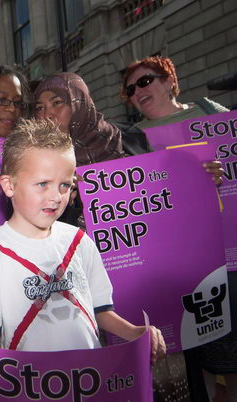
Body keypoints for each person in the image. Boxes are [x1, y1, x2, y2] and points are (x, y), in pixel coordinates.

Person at [0, 118, 166, 372]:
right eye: (43, 184)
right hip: (32, 384)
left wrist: (135, 332)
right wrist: (2, 387)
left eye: (65, 185)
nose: (56, 196)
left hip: (92, 375)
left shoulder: (79, 240)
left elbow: (100, 310)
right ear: (9, 185)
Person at [122, 55, 236, 402]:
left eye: (146, 81)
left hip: (230, 243)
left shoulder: (209, 111)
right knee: (207, 352)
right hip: (187, 260)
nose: (138, 91)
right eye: (130, 89)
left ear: (170, 80)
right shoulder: (132, 139)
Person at [34, 72, 125, 166]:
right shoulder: (35, 158)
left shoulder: (123, 140)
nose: (46, 115)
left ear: (79, 103)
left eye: (57, 103)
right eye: (40, 108)